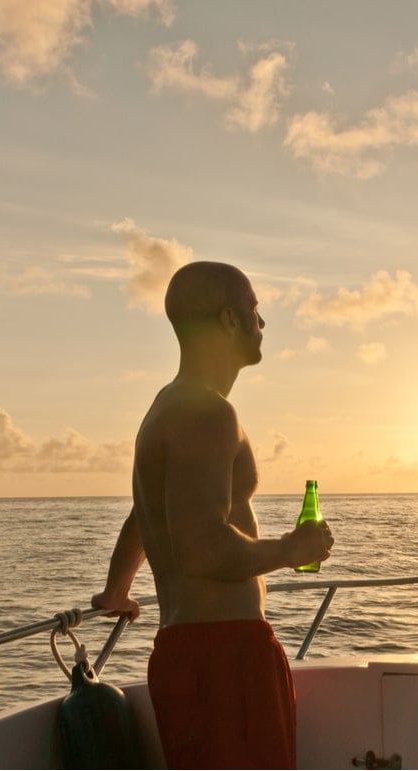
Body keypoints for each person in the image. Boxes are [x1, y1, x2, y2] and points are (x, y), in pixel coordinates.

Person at [91, 261, 334, 769]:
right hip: (227, 657)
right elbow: (203, 548)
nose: (261, 323)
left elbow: (145, 515)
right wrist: (294, 550)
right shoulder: (209, 413)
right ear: (228, 320)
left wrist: (117, 590)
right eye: (254, 309)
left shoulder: (165, 406)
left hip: (184, 651)